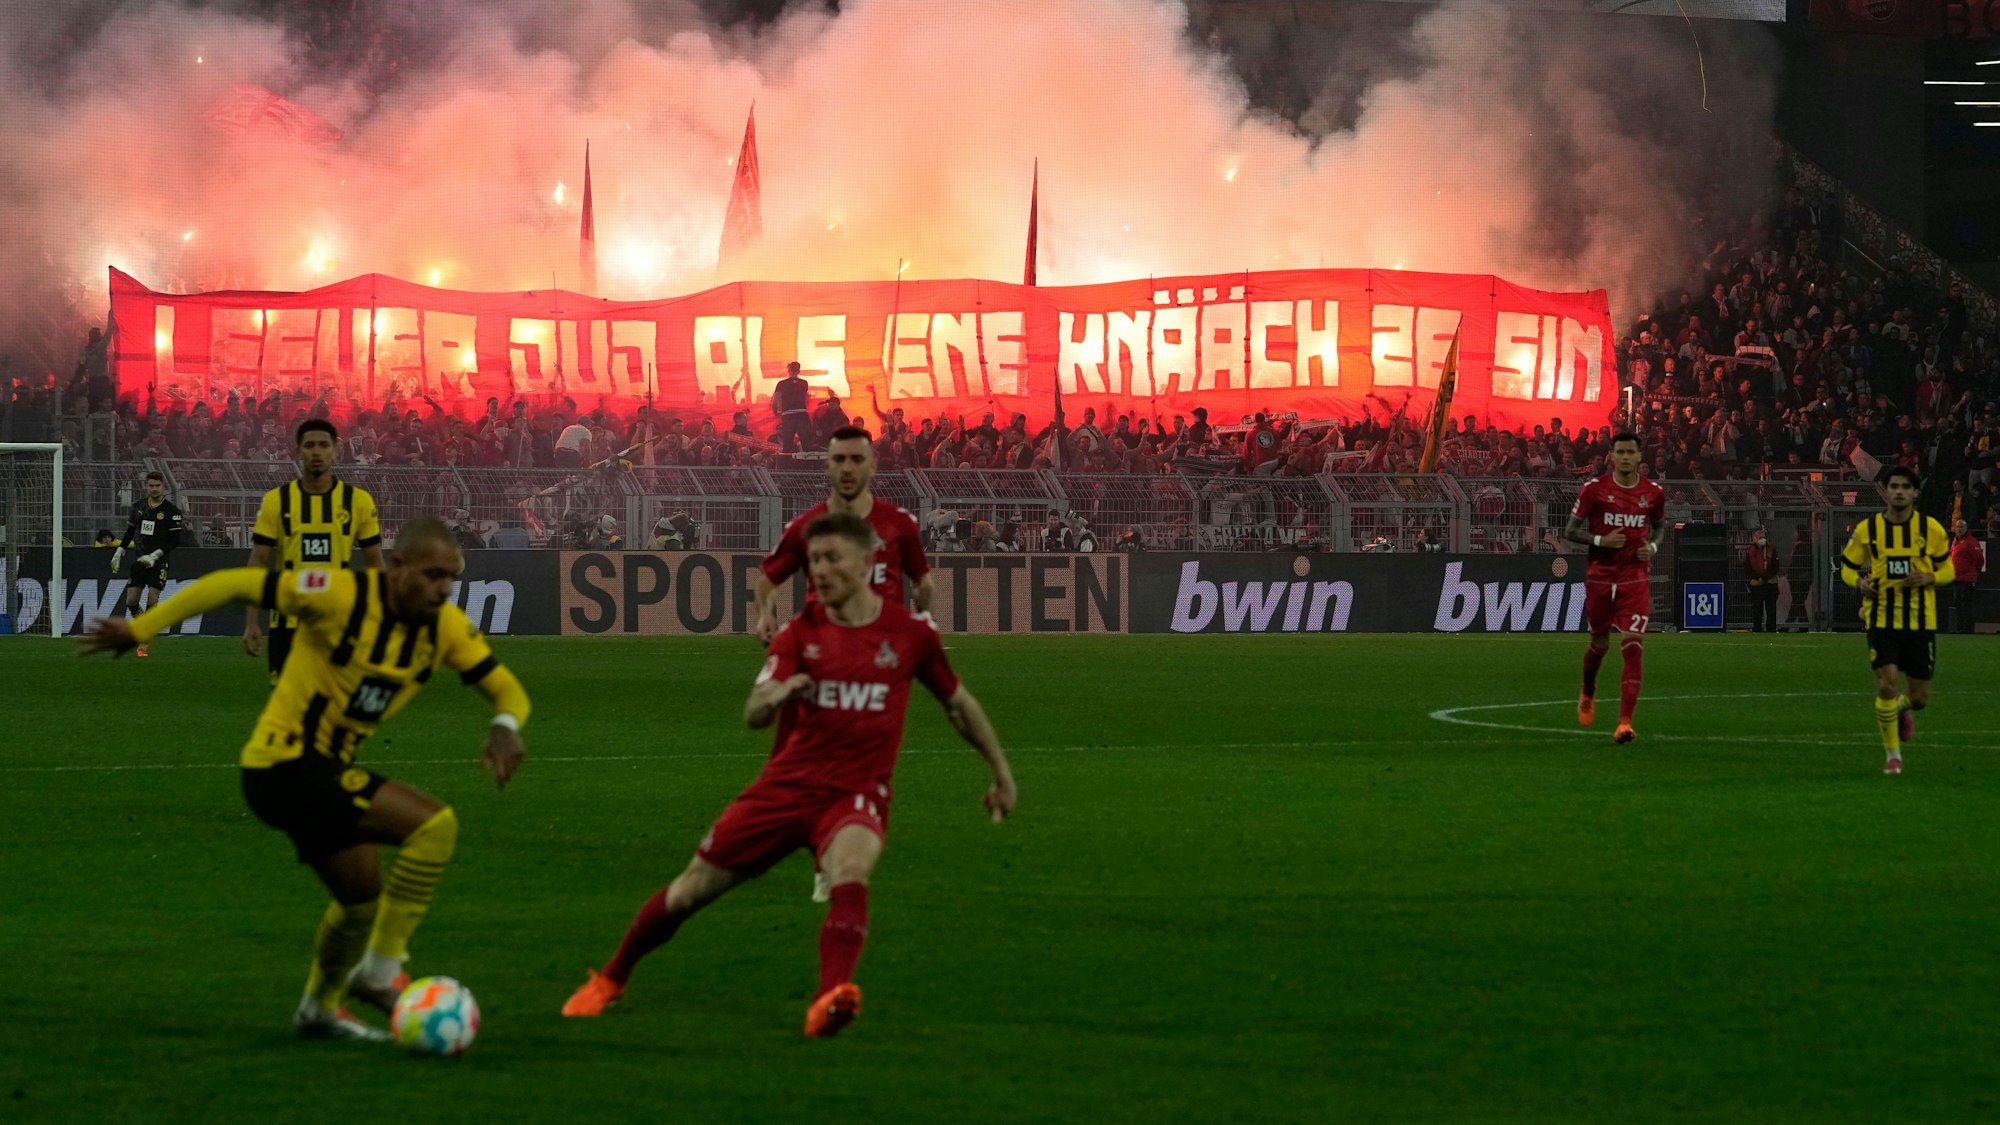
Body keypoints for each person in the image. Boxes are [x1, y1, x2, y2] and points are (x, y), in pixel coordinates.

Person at [560, 512, 1015, 1036]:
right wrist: (775, 693)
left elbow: (958, 704)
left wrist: (1001, 773)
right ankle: (611, 978)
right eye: (814, 560)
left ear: (867, 563)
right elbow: (754, 713)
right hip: (785, 789)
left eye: (831, 558)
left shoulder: (909, 635)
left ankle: (830, 998)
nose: (819, 570)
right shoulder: (799, 634)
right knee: (690, 892)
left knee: (850, 869)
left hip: (855, 793)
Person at [79, 517, 530, 1039]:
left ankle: (318, 1009)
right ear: (396, 567)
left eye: (451, 577)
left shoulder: (446, 628)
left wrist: (503, 725)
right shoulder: (339, 594)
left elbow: (509, 691)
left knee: (360, 903)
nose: (444, 587)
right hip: (283, 766)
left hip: (325, 774)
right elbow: (233, 583)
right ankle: (382, 975)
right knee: (435, 826)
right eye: (432, 575)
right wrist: (140, 628)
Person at [754, 426, 932, 900]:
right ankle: (801, 830)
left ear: (872, 465)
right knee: (797, 752)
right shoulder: (808, 525)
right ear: (828, 466)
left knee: (854, 756)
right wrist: (765, 612)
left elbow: (923, 578)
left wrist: (921, 617)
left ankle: (830, 852)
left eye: (858, 459)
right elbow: (770, 574)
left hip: (879, 654)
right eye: (840, 460)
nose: (849, 468)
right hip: (820, 648)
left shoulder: (897, 524)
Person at [243, 420, 385, 683]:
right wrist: (252, 622)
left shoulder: (358, 502)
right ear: (299, 451)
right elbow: (258, 563)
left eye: (323, 445)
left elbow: (375, 565)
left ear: (335, 451)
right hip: (286, 625)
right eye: (310, 445)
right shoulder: (276, 501)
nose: (317, 452)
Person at [1839, 467, 1954, 774]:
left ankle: (1904, 710)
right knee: (1887, 685)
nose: (1900, 491)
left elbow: (1949, 571)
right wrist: (1859, 583)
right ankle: (1893, 756)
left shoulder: (1931, 529)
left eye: (1906, 486)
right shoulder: (1868, 529)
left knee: (1919, 698)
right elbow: (1847, 567)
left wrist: (1929, 576)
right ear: (1886, 491)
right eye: (1894, 486)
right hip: (1881, 620)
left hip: (1920, 622)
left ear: (1915, 493)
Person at [1565, 433, 1667, 744]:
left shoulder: (1653, 493)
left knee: (1633, 646)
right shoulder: (1594, 490)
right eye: (1619, 452)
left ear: (1639, 457)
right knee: (1599, 645)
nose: (1624, 457)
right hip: (1600, 576)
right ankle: (1588, 690)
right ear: (1611, 456)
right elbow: (1570, 531)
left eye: (1630, 452)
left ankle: (1625, 723)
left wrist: (1652, 546)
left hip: (1635, 578)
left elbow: (1660, 526)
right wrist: (1600, 541)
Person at [114, 470, 185, 657]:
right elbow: (130, 532)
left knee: (153, 599)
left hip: (159, 561)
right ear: (146, 486)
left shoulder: (171, 512)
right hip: (139, 559)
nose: (154, 489)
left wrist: (155, 555)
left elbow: (174, 541)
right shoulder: (138, 507)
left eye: (157, 486)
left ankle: (144, 641)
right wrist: (119, 551)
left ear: (163, 487)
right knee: (131, 601)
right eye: (151, 486)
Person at [1948, 520, 1985, 634]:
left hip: (1966, 579)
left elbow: (1979, 559)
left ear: (1966, 528)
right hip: (1956, 578)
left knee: (1966, 604)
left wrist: (1973, 571)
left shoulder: (1971, 542)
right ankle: (1959, 627)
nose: (1958, 529)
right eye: (1957, 527)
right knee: (1958, 603)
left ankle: (1967, 628)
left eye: (1961, 527)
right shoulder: (1955, 541)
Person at [771, 361, 814, 452]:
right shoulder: (804, 383)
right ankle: (810, 465)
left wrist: (776, 413)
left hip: (788, 416)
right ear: (799, 371)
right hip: (802, 415)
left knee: (787, 445)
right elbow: (806, 399)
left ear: (788, 370)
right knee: (807, 444)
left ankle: (788, 465)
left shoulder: (781, 384)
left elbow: (774, 402)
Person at [1744, 529, 1779, 633]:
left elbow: (1775, 567)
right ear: (1754, 539)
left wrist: (1765, 578)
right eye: (1759, 537)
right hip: (1756, 584)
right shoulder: (1750, 551)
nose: (1762, 540)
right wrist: (1756, 578)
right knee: (1757, 609)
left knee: (1771, 609)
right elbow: (1747, 567)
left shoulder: (1771, 549)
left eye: (1763, 537)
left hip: (1769, 583)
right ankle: (1757, 629)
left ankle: (1771, 629)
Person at [1785, 526, 1815, 631]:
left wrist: (1791, 575)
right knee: (1798, 601)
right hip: (1804, 579)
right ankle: (1795, 625)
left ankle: (1791, 625)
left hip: (1797, 578)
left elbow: (1795, 563)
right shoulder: (1809, 546)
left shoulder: (1800, 546)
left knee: (1797, 601)